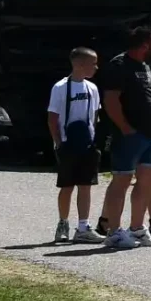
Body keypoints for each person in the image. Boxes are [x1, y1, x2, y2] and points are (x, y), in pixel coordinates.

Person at [96, 26, 151, 252]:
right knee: (121, 180)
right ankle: (113, 232)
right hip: (129, 135)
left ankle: (138, 228)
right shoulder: (119, 65)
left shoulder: (145, 66)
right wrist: (125, 128)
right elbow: (111, 100)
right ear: (143, 46)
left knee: (147, 178)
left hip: (149, 136)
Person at [46, 47, 103, 243]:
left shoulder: (92, 88)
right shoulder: (60, 87)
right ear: (79, 64)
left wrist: (93, 139)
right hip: (68, 143)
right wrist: (59, 143)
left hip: (86, 144)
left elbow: (95, 116)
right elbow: (52, 118)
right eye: (92, 63)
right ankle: (63, 223)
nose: (96, 67)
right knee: (67, 186)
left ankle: (83, 227)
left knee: (86, 185)